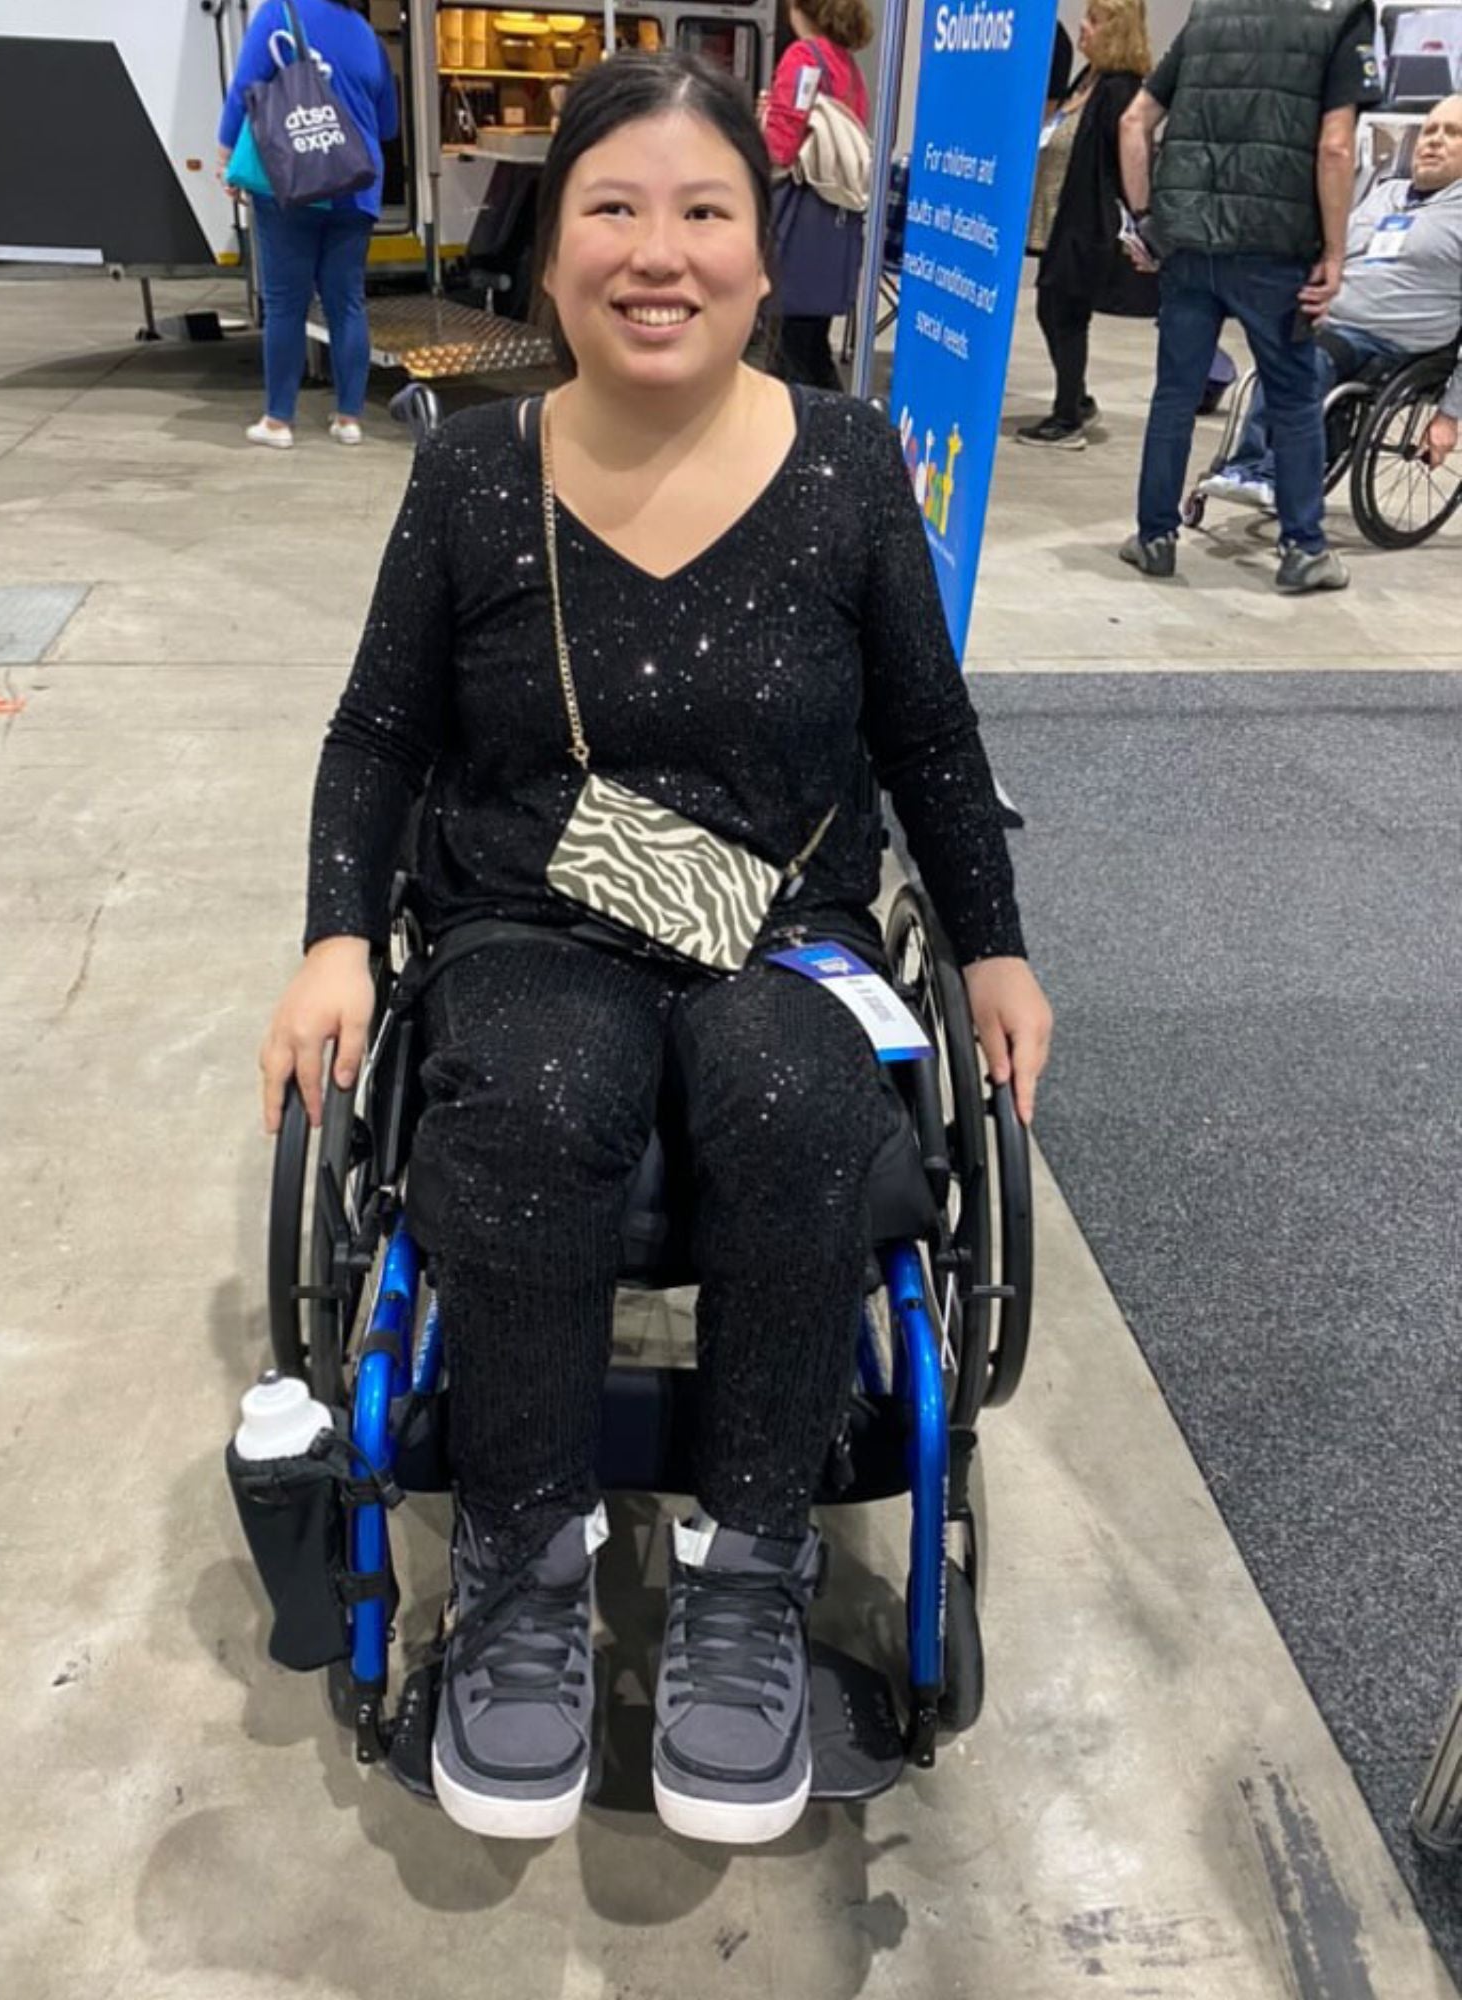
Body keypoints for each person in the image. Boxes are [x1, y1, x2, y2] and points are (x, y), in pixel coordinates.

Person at [259, 52, 1051, 1845]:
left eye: (704, 211)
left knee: (787, 1093)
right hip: (530, 906)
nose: (657, 252)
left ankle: (749, 1573)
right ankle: (524, 1574)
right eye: (613, 209)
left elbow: (927, 736)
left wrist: (992, 949)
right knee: (540, 1085)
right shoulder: (473, 472)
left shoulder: (847, 467)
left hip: (786, 915)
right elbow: (379, 735)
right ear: (550, 256)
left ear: (768, 257)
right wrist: (331, 938)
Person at [1116, 0, 1382, 594]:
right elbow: (1335, 147)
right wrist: (1335, 254)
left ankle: (1154, 537)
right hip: (1276, 251)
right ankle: (1304, 548)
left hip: (1188, 246)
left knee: (1175, 396)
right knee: (1291, 399)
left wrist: (1145, 223)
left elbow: (1135, 121)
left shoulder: (1209, 12)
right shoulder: (1343, 15)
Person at [1199, 94, 1462, 509]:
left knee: (1305, 359)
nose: (1433, 141)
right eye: (1429, 130)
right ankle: (1246, 467)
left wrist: (1450, 416)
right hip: (1332, 319)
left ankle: (1266, 472)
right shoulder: (1386, 194)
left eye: (1452, 133)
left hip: (1394, 342)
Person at [217, 0, 398, 449]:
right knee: (347, 303)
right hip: (355, 183)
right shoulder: (367, 37)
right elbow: (389, 124)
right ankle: (349, 419)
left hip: (293, 181)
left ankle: (279, 422)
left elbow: (245, 88)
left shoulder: (278, 13)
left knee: (285, 305)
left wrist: (225, 157)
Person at [1018, 0, 1158, 450]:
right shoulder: (1088, 77)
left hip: (1087, 219)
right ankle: (1075, 399)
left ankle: (1067, 417)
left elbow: (1124, 163)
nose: (1083, 27)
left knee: (1065, 312)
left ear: (1117, 30)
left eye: (1094, 20)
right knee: (1052, 308)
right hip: (1063, 215)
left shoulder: (1121, 89)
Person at [761, 0, 873, 390]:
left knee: (785, 351)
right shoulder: (848, 68)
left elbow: (779, 148)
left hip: (797, 220)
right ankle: (839, 433)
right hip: (833, 222)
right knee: (811, 345)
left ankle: (805, 440)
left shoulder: (802, 57)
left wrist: (761, 122)